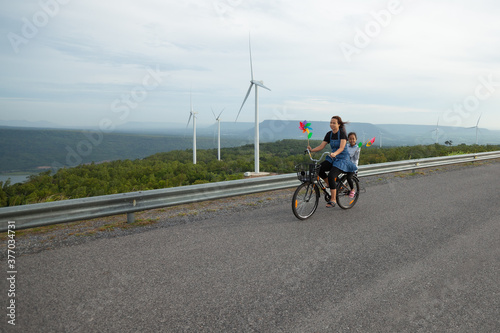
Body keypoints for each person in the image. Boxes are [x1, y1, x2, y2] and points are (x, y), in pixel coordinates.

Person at [307, 116, 358, 208]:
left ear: (338, 124)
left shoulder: (342, 134)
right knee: (319, 169)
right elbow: (321, 146)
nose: (332, 124)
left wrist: (335, 153)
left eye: (334, 123)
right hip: (333, 157)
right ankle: (330, 184)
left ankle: (333, 199)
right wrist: (312, 150)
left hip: (342, 159)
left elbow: (342, 147)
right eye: (331, 122)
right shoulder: (329, 134)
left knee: (331, 175)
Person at [346, 132, 360, 198]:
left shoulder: (357, 147)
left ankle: (352, 190)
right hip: (346, 164)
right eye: (350, 139)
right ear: (348, 139)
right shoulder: (346, 146)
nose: (352, 140)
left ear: (356, 139)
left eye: (353, 139)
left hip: (353, 166)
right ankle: (340, 187)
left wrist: (357, 152)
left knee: (348, 177)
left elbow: (356, 158)